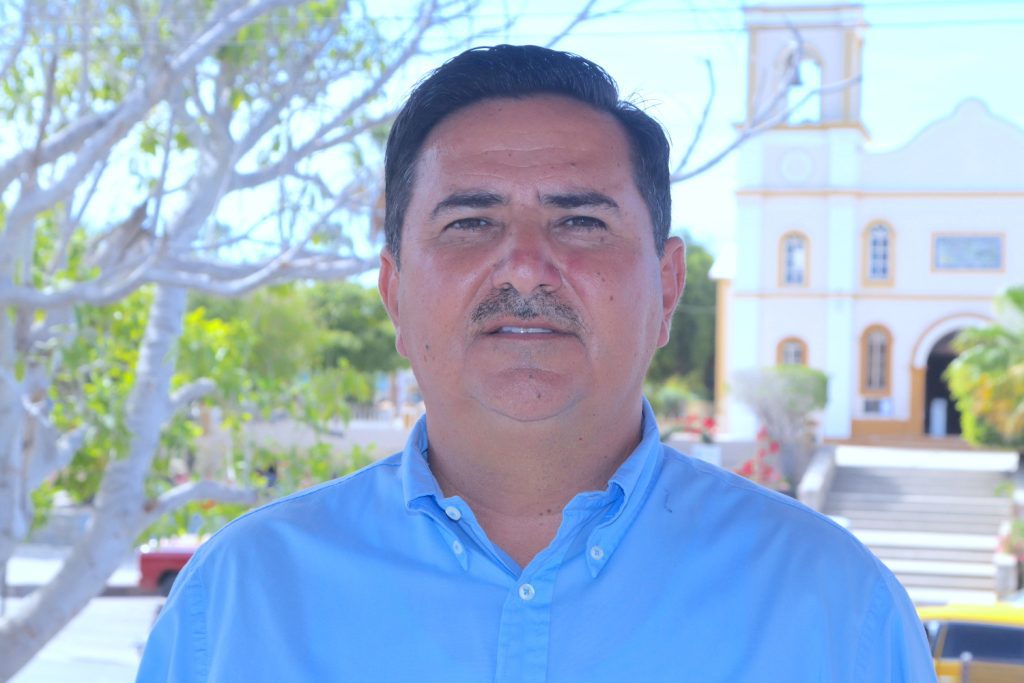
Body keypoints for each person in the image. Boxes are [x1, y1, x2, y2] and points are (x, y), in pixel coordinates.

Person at [137, 45, 935, 682]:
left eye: (580, 221)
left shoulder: (837, 610)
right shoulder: (237, 603)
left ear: (667, 287)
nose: (524, 266)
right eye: (470, 222)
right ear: (394, 292)